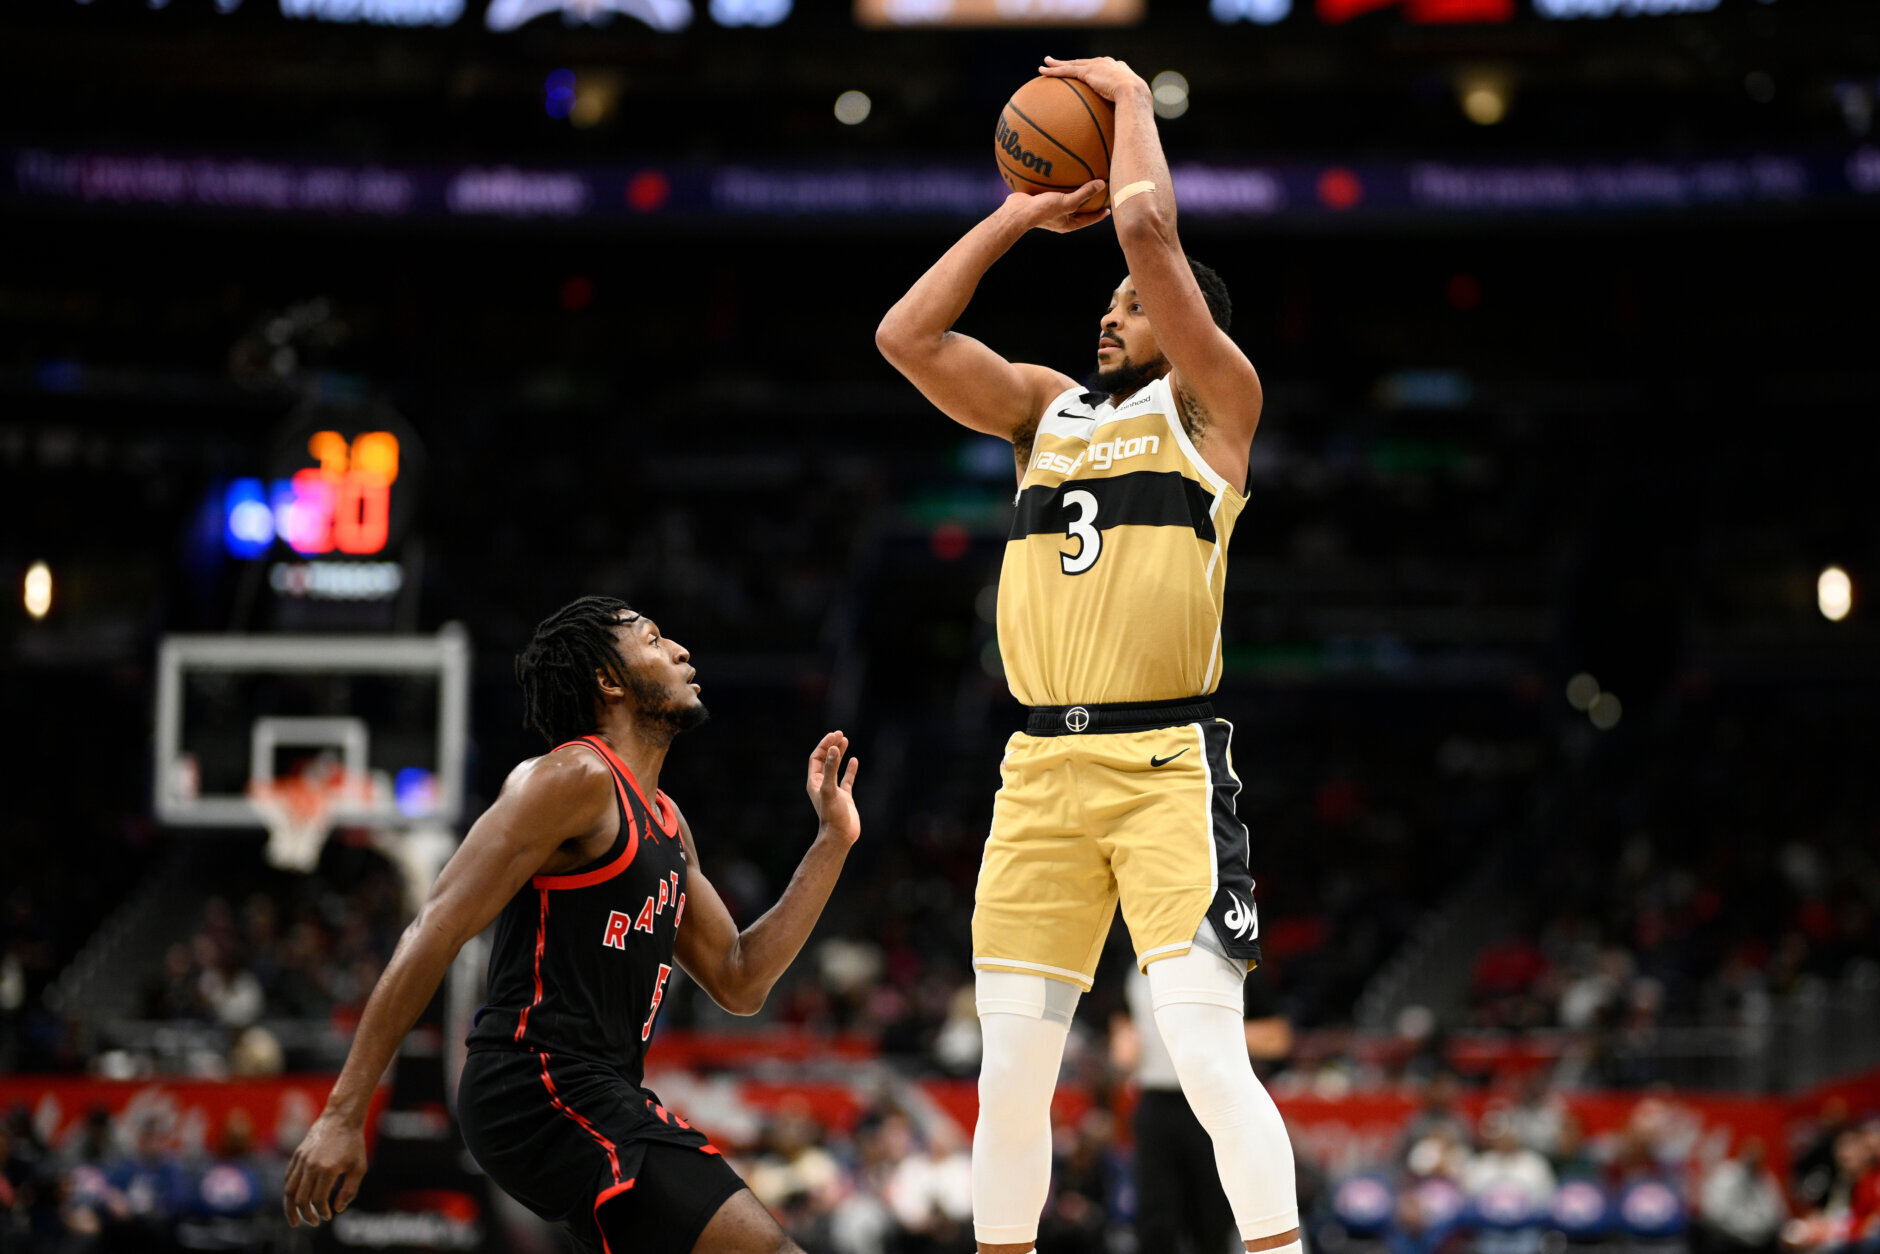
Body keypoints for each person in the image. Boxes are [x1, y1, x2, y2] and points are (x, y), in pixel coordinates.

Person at [876, 53, 1297, 1254]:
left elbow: (1151, 232)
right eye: (1105, 303)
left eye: (1131, 305)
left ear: (1184, 322)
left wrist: (1124, 101)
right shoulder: (1042, 410)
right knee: (1009, 1078)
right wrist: (1017, 212)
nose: (1109, 312)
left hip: (1164, 764)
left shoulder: (1212, 405)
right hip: (1038, 773)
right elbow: (906, 334)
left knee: (1203, 1055)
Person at [281, 596, 863, 1254]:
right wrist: (342, 1113)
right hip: (538, 1083)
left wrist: (832, 841)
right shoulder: (572, 777)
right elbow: (435, 928)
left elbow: (740, 979)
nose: (681, 652)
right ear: (609, 681)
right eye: (653, 640)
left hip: (603, 1090)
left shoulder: (668, 822)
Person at [1117, 964, 1293, 1254]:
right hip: (1156, 1101)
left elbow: (1277, 1038)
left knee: (1214, 1220)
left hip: (1215, 1101)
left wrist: (1212, 1031)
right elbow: (1123, 1040)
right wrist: (1125, 1045)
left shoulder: (1230, 953)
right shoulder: (1135, 964)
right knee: (1154, 1221)